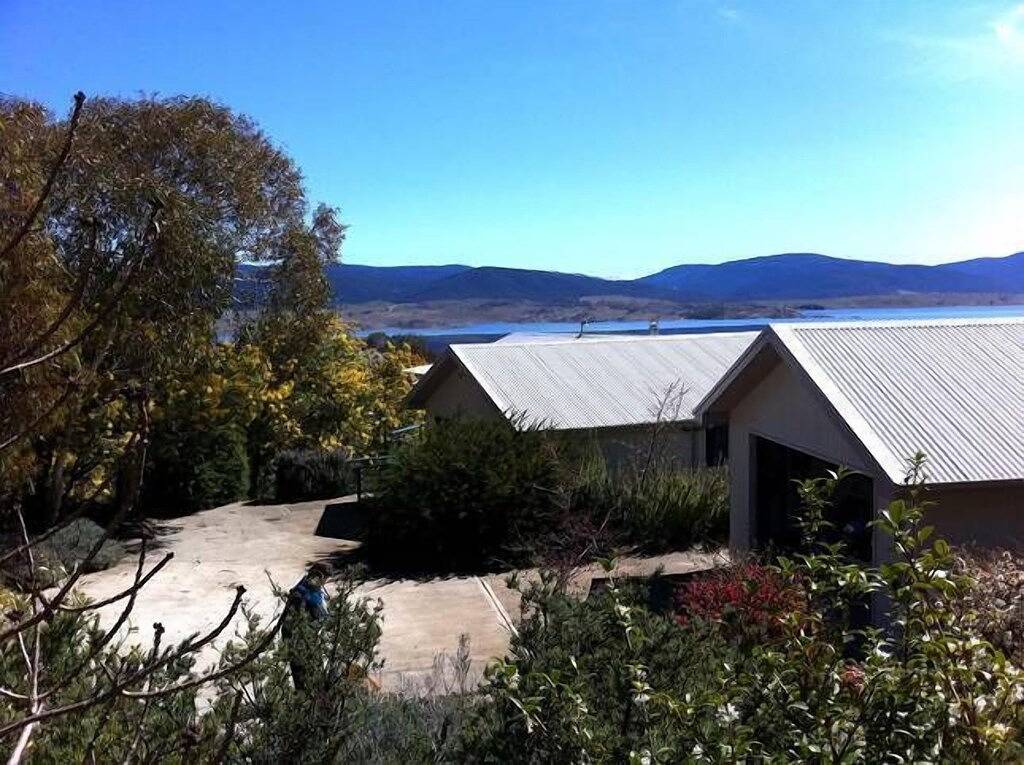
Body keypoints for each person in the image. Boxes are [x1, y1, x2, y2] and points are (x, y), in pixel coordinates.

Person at [281, 563, 330, 691]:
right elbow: (320, 615)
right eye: (325, 578)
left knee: (304, 674)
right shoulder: (305, 592)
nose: (325, 582)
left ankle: (307, 700)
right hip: (301, 639)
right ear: (318, 576)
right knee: (308, 675)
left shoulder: (305, 587)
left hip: (300, 638)